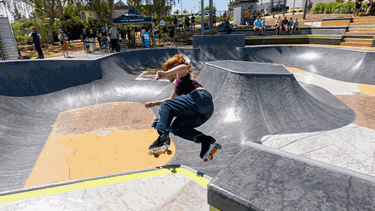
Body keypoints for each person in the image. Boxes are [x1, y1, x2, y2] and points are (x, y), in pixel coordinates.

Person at [144, 54, 219, 161]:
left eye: (168, 75)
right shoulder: (178, 87)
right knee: (176, 128)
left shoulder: (182, 75)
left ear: (172, 70)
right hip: (203, 113)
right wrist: (155, 103)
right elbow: (170, 102)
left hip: (201, 98)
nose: (167, 78)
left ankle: (163, 137)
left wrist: (165, 73)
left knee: (167, 105)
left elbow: (183, 67)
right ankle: (205, 140)